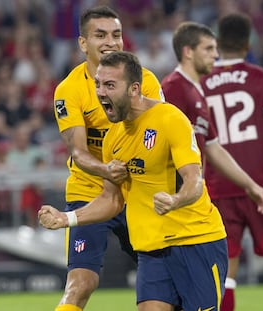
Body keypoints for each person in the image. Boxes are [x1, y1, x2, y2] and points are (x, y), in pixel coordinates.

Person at [39, 50, 228, 311]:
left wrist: (175, 200)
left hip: (195, 241)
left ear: (134, 89)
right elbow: (112, 199)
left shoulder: (170, 119)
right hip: (151, 251)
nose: (101, 92)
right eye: (98, 84)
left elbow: (195, 181)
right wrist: (66, 218)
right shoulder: (113, 137)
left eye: (110, 85)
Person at [51, 6, 164, 311]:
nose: (111, 42)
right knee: (81, 283)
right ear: (83, 43)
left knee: (164, 286)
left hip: (136, 193)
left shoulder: (147, 81)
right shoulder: (69, 90)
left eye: (116, 34)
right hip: (89, 192)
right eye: (100, 35)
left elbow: (157, 134)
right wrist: (107, 170)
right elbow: (78, 151)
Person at [200, 13, 263, 311]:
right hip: (261, 182)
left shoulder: (202, 83)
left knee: (227, 263)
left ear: (217, 44)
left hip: (218, 183)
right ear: (248, 43)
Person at [161, 21, 263, 213]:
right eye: (208, 49)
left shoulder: (196, 91)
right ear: (188, 52)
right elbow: (160, 143)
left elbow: (213, 147)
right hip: (174, 198)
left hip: (190, 196)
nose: (216, 55)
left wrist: (251, 186)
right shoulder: (173, 88)